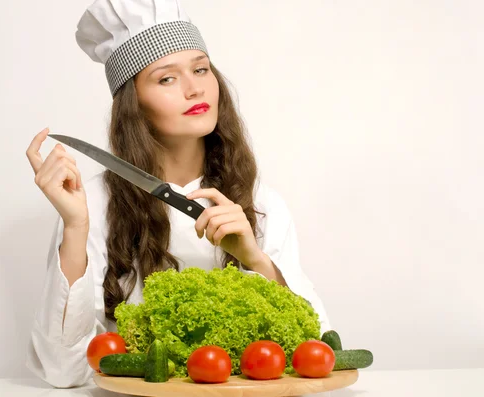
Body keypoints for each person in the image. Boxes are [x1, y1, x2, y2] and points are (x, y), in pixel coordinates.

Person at [25, 0, 332, 389]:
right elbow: (63, 370)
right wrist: (75, 226)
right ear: (133, 103)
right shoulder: (95, 203)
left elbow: (319, 349)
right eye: (166, 78)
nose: (194, 88)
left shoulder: (262, 203)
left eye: (201, 69)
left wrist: (254, 258)